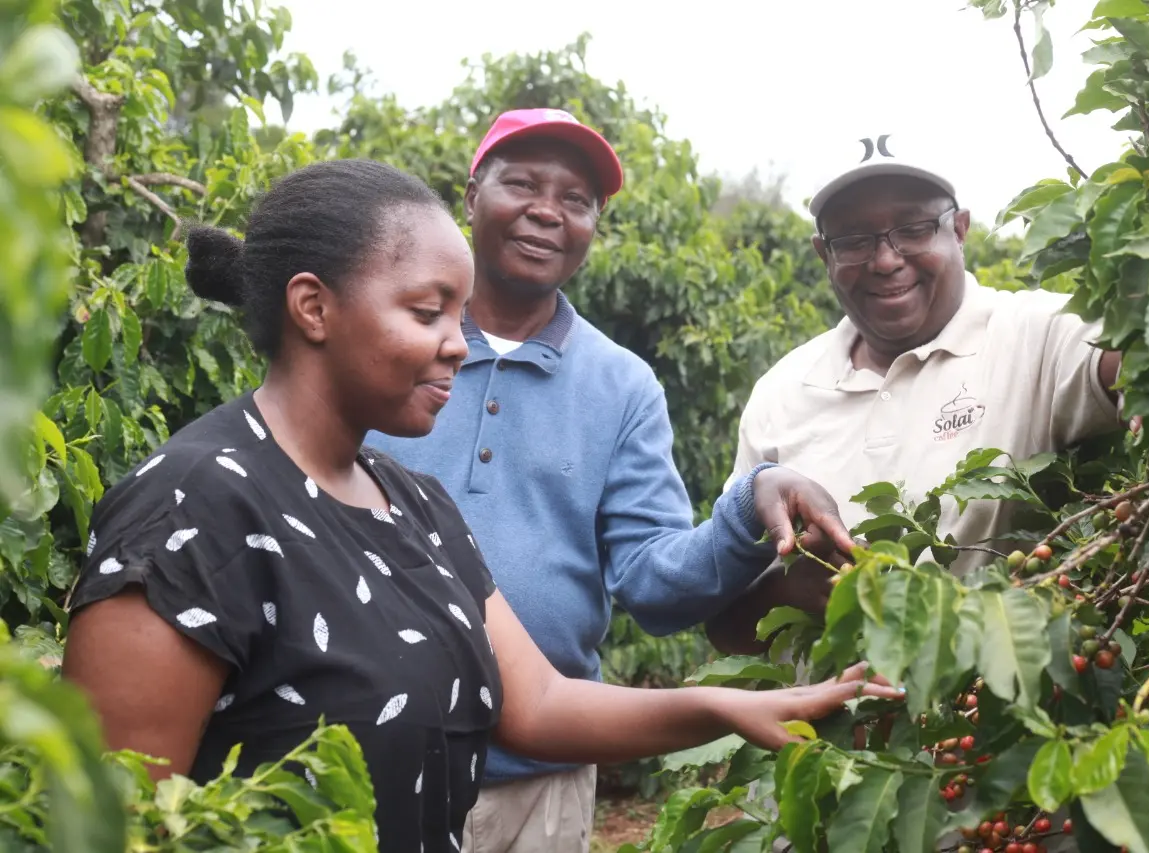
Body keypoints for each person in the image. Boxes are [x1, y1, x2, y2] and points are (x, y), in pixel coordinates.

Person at [59, 159, 903, 853]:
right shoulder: (190, 507)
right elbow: (114, 821)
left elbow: (535, 702)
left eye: (457, 315)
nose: (459, 345)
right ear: (313, 307)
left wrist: (728, 707)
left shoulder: (414, 504)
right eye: (428, 313)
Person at [362, 109, 862, 853]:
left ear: (596, 224)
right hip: (353, 758)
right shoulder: (386, 334)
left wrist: (752, 504)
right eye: (523, 183)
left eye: (576, 199)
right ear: (471, 194)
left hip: (536, 781)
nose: (546, 210)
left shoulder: (621, 385)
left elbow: (652, 585)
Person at [706, 138, 1124, 656]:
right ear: (824, 254)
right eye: (855, 239)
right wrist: (796, 590)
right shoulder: (780, 393)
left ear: (961, 229)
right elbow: (723, 626)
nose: (885, 260)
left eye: (913, 228)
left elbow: (1136, 364)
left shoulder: (1034, 335)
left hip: (983, 728)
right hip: (819, 737)